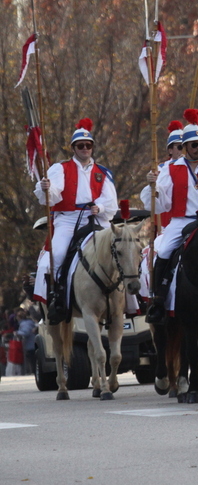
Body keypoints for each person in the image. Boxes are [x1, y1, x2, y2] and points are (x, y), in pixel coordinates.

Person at [33, 118, 118, 324]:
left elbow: (111, 203)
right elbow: (52, 195)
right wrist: (46, 188)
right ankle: (55, 300)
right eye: (81, 145)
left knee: (122, 251)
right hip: (68, 220)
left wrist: (101, 208)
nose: (85, 149)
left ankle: (132, 300)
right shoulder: (60, 168)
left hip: (96, 220)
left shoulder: (103, 173)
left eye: (88, 145)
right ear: (74, 148)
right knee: (56, 256)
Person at [146, 109, 198, 324]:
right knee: (164, 252)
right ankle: (158, 300)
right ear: (185, 147)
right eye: (194, 145)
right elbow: (162, 203)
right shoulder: (171, 168)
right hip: (181, 221)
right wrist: (154, 188)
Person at [15, 309, 37, 374]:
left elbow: (26, 332)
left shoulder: (24, 324)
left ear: (19, 317)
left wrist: (17, 332)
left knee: (32, 360)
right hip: (33, 344)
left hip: (30, 345)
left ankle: (32, 372)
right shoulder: (30, 322)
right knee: (33, 360)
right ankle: (33, 371)